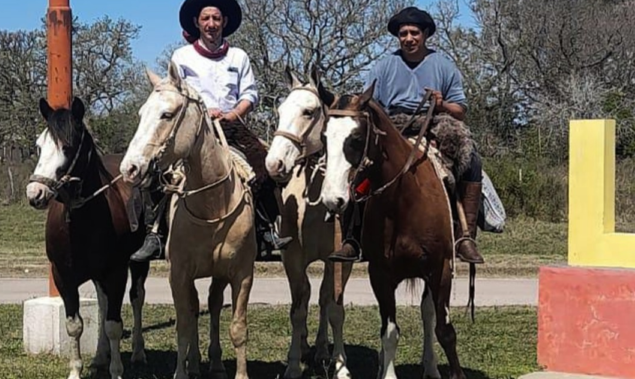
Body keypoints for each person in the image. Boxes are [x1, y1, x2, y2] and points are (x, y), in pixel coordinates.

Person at [130, 0, 292, 262]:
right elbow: (176, 93)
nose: (211, 24)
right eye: (206, 19)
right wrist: (205, 112)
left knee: (263, 167)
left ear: (224, 22)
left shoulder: (238, 56)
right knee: (159, 168)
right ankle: (156, 233)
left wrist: (234, 113)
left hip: (232, 125)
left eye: (216, 19)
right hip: (194, 128)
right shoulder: (181, 57)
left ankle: (264, 229)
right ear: (197, 22)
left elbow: (250, 94)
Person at [327, 6, 484, 265]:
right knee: (360, 166)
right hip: (390, 125)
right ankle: (353, 238)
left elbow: (460, 110)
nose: (408, 38)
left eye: (414, 33)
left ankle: (465, 237)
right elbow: (369, 104)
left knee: (472, 159)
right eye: (403, 34)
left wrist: (441, 103)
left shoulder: (444, 66)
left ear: (425, 35)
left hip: (435, 121)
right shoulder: (384, 66)